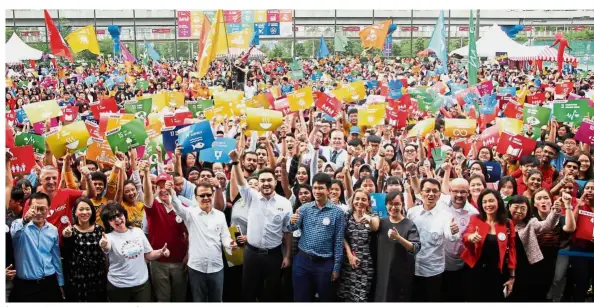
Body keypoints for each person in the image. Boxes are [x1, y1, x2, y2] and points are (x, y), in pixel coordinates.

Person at [229, 149, 292, 302]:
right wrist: (236, 163)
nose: (265, 183)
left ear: (275, 182)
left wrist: (288, 255)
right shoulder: (252, 197)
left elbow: (288, 232)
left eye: (269, 180)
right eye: (262, 180)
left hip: (274, 255)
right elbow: (242, 184)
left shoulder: (285, 204)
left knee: (271, 293)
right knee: (248, 291)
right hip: (251, 254)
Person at [169, 180, 237, 302]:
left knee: (216, 300)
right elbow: (178, 208)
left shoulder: (220, 215)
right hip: (196, 267)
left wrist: (230, 244)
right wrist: (172, 194)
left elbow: (225, 236)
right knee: (198, 300)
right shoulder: (190, 213)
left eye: (209, 195)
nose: (206, 198)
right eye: (202, 195)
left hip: (216, 267)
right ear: (196, 197)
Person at [288, 173, 346, 302]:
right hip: (303, 261)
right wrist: (291, 221)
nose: (317, 191)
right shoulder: (304, 209)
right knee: (301, 298)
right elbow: (291, 229)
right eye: (314, 188)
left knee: (325, 299)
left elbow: (338, 241)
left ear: (329, 190)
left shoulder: (337, 213)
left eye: (321, 188)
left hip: (324, 264)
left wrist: (336, 267)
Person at [99, 202, 170, 302]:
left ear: (124, 215)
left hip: (141, 284)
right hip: (118, 286)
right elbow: (106, 247)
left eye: (119, 215)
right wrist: (104, 245)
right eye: (111, 218)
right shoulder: (108, 238)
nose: (117, 219)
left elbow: (148, 255)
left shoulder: (137, 231)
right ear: (108, 223)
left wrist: (160, 252)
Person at [406, 178, 459, 302]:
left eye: (435, 191)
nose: (431, 194)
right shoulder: (412, 213)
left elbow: (451, 237)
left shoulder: (446, 216)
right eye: (427, 190)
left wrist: (454, 231)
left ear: (439, 195)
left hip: (433, 271)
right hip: (412, 269)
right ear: (421, 193)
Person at [142, 166, 189, 302]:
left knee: (180, 298)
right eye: (159, 186)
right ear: (155, 189)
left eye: (166, 186)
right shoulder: (154, 207)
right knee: (163, 299)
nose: (163, 189)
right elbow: (146, 195)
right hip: (159, 263)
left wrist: (188, 254)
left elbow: (189, 232)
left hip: (180, 262)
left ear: (173, 187)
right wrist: (146, 173)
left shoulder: (182, 208)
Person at [462, 189, 517, 302]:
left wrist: (512, 277)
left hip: (497, 273)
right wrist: (471, 237)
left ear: (498, 202)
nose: (488, 204)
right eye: (484, 202)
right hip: (475, 270)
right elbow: (466, 235)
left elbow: (512, 249)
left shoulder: (507, 223)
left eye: (491, 201)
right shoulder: (475, 219)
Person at [10, 192, 65, 302]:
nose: (38, 213)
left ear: (49, 210)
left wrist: (60, 282)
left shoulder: (53, 230)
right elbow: (13, 235)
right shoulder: (19, 225)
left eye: (42, 209)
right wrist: (25, 219)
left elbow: (55, 258)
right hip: (26, 286)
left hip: (49, 282)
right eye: (35, 208)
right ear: (29, 208)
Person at [436, 176, 479, 302]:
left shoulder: (473, 213)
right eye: (455, 191)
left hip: (458, 266)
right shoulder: (440, 203)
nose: (459, 195)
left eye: (463, 192)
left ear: (468, 192)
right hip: (436, 262)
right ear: (450, 190)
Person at [374, 191, 420, 302]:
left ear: (402, 205)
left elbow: (415, 247)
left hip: (401, 273)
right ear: (386, 205)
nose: (393, 207)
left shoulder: (409, 224)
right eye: (390, 204)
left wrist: (398, 238)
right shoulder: (381, 222)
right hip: (382, 272)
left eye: (397, 204)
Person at [61, 197, 107, 302]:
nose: (84, 212)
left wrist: (105, 246)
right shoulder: (70, 231)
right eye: (81, 209)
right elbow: (67, 254)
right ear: (75, 212)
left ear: (92, 211)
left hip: (97, 277)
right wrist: (66, 237)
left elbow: (105, 253)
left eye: (87, 209)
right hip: (77, 279)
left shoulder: (100, 229)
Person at [337, 189, 376, 302]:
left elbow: (375, 226)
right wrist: (349, 255)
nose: (360, 202)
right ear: (352, 200)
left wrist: (369, 220)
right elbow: (342, 235)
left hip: (365, 263)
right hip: (348, 261)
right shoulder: (347, 215)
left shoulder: (372, 216)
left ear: (368, 202)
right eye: (357, 199)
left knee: (361, 297)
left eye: (363, 199)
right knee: (345, 294)